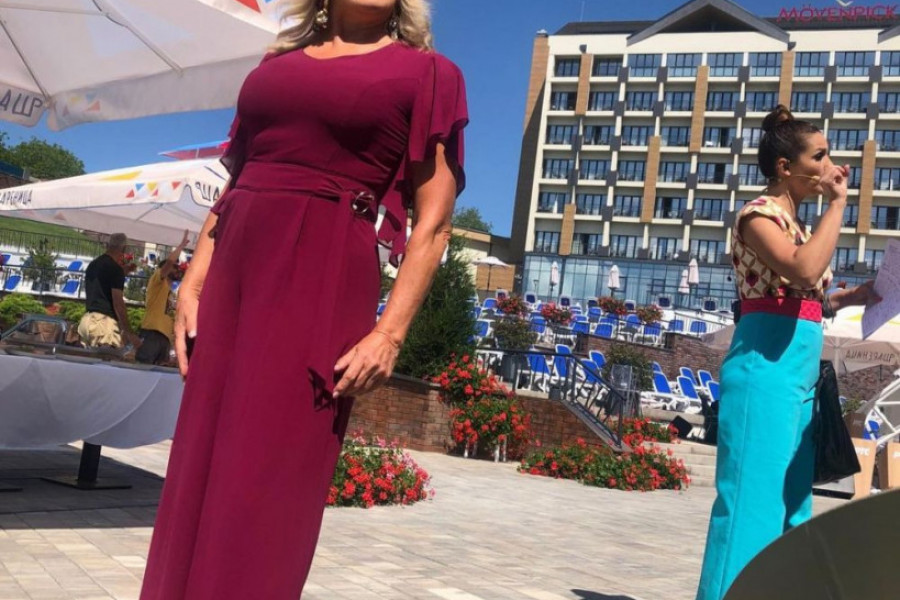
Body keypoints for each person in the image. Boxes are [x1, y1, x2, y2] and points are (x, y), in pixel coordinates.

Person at [139, 0, 467, 597]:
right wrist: (194, 278)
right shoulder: (277, 63)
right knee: (199, 455)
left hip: (322, 270)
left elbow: (435, 223)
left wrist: (389, 333)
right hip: (235, 267)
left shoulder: (428, 73)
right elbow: (238, 178)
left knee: (271, 467)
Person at [696, 105, 881, 600]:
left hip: (797, 373)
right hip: (764, 367)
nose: (830, 165)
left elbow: (806, 296)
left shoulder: (798, 225)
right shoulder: (758, 216)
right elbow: (802, 270)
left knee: (793, 505)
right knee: (750, 505)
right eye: (819, 156)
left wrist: (853, 297)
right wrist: (838, 206)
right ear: (785, 166)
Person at [77, 233, 141, 349]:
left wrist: (123, 272)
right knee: (108, 359)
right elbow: (118, 304)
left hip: (87, 321)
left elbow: (105, 280)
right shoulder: (115, 269)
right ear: (124, 248)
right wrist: (129, 332)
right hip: (103, 324)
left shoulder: (93, 264)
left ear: (108, 245)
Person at [135, 231, 190, 365]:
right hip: (152, 333)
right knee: (143, 369)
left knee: (159, 371)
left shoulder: (171, 292)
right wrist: (181, 246)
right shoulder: (157, 281)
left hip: (165, 338)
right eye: (174, 267)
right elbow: (169, 261)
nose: (177, 270)